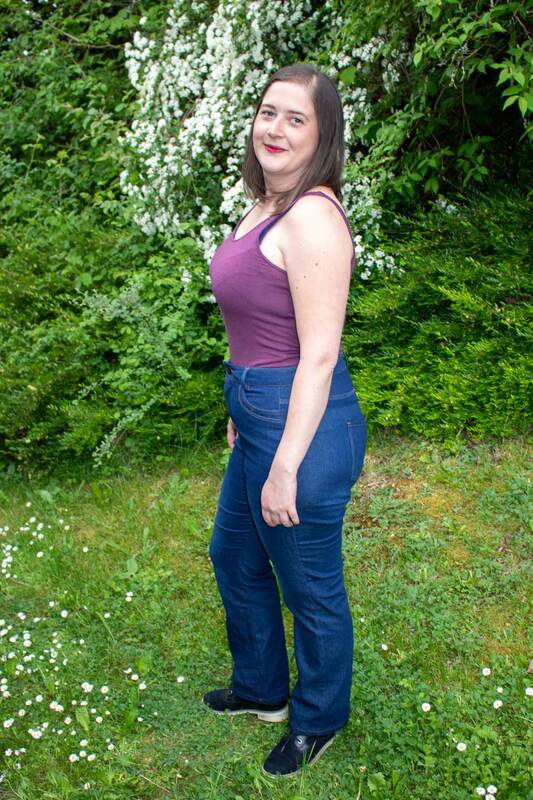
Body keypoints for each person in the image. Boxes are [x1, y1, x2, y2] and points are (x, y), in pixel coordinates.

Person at [204, 62, 367, 779]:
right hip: (260, 411)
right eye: (268, 111)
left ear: (322, 135)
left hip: (305, 427)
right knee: (235, 556)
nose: (275, 128)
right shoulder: (265, 204)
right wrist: (240, 407)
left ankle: (318, 718)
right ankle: (262, 689)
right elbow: (256, 320)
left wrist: (286, 464)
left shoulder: (312, 219)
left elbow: (319, 353)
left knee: (310, 587)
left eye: (296, 118)